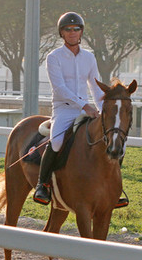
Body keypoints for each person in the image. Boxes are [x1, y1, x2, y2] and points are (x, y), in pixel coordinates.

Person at [33, 12, 128, 207]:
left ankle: (114, 189)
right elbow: (59, 87)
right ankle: (42, 185)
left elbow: (94, 87)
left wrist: (102, 111)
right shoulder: (54, 57)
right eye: (68, 29)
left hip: (87, 109)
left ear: (81, 32)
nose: (72, 32)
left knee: (118, 142)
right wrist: (84, 105)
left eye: (76, 29)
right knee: (58, 141)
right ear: (62, 33)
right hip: (64, 109)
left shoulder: (89, 57)